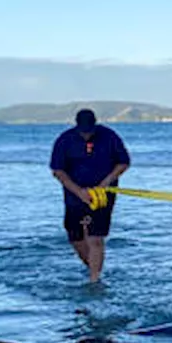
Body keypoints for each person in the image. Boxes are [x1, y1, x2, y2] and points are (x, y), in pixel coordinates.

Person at [50, 108, 131, 281]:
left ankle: (95, 279)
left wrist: (105, 183)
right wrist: (79, 192)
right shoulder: (65, 140)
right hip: (74, 195)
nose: (87, 135)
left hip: (103, 194)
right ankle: (93, 266)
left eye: (90, 132)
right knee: (75, 238)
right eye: (83, 132)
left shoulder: (109, 136)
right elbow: (58, 170)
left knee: (95, 238)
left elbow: (123, 162)